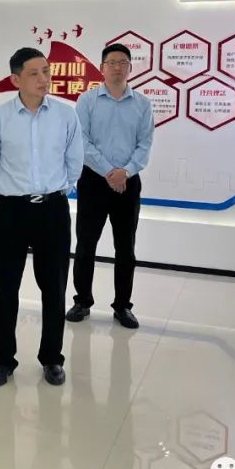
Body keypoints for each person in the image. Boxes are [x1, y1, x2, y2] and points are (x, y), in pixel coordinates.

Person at [0, 47, 84, 388]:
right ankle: (3, 360)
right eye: (34, 73)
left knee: (54, 287)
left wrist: (58, 190)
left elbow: (75, 161)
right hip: (12, 210)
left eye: (46, 71)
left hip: (53, 210)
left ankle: (52, 358)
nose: (44, 79)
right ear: (16, 79)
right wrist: (12, 190)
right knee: (6, 287)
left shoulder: (66, 115)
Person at [66, 43, 154, 329]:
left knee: (126, 248)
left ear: (130, 67)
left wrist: (124, 172)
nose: (117, 67)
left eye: (123, 62)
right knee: (85, 245)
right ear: (102, 68)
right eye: (112, 62)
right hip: (93, 180)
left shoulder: (142, 104)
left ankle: (122, 306)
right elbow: (82, 141)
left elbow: (145, 145)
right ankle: (82, 301)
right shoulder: (87, 101)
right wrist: (109, 172)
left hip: (128, 182)